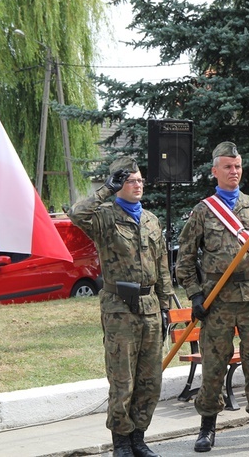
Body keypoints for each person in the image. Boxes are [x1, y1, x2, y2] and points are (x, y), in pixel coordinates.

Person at [176, 142, 249, 453]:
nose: (234, 172)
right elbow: (185, 258)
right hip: (217, 300)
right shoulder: (203, 211)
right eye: (227, 167)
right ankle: (207, 428)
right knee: (214, 366)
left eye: (237, 166)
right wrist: (195, 295)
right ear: (214, 172)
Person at [68, 157, 174, 457]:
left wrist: (166, 307)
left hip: (151, 306)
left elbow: (162, 266)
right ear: (118, 184)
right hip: (119, 309)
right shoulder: (104, 217)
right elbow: (77, 213)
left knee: (150, 379)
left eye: (140, 180)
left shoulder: (151, 220)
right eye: (130, 181)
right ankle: (122, 442)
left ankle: (139, 437)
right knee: (122, 379)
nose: (138, 184)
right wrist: (105, 189)